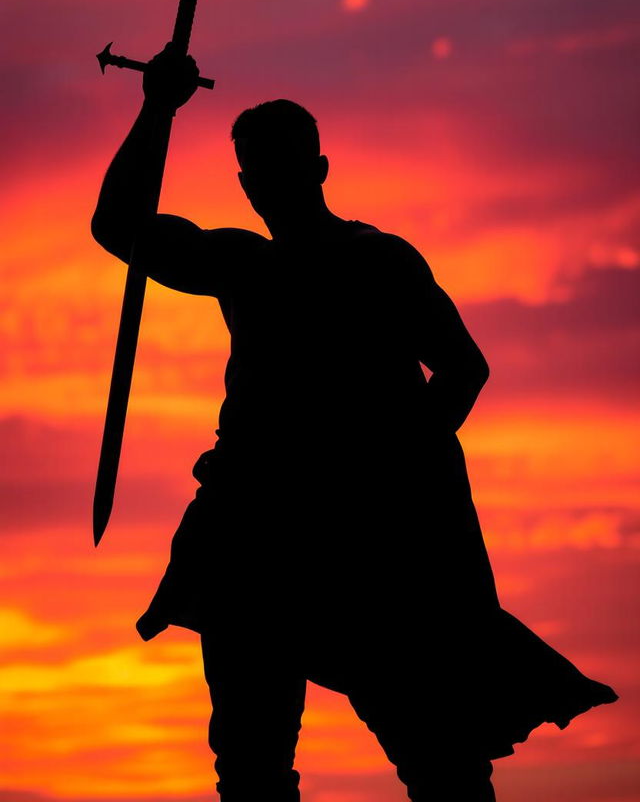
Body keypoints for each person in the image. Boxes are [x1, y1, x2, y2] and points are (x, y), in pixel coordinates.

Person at [91, 44, 618, 802]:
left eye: (283, 165)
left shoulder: (381, 263)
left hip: (370, 546)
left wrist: (393, 472)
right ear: (245, 185)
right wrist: (156, 109)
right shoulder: (246, 265)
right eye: (257, 172)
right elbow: (119, 227)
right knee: (250, 762)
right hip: (254, 533)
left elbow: (465, 368)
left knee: (440, 758)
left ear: (319, 169)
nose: (269, 184)